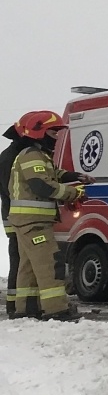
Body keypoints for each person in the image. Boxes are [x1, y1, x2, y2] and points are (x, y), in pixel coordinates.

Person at [6, 111, 85, 322]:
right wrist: (73, 193)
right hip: (34, 222)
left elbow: (52, 175)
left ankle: (26, 308)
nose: (57, 137)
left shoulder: (38, 156)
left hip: (27, 222)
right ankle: (56, 310)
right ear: (40, 131)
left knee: (29, 266)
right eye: (53, 132)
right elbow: (41, 185)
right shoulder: (32, 155)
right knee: (50, 263)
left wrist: (75, 177)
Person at [1, 119, 24, 318]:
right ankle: (17, 305)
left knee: (16, 258)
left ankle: (13, 303)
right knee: (21, 259)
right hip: (19, 215)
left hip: (10, 214)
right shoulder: (15, 157)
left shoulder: (6, 155)